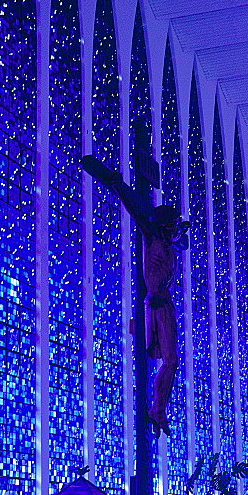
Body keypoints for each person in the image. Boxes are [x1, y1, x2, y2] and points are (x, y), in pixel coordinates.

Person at [109, 174, 189, 438]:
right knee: (165, 358)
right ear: (163, 224)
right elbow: (137, 209)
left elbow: (181, 238)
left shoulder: (169, 245)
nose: (177, 229)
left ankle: (159, 408)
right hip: (154, 305)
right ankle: (157, 408)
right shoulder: (153, 236)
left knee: (172, 360)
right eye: (173, 224)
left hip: (163, 304)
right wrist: (118, 185)